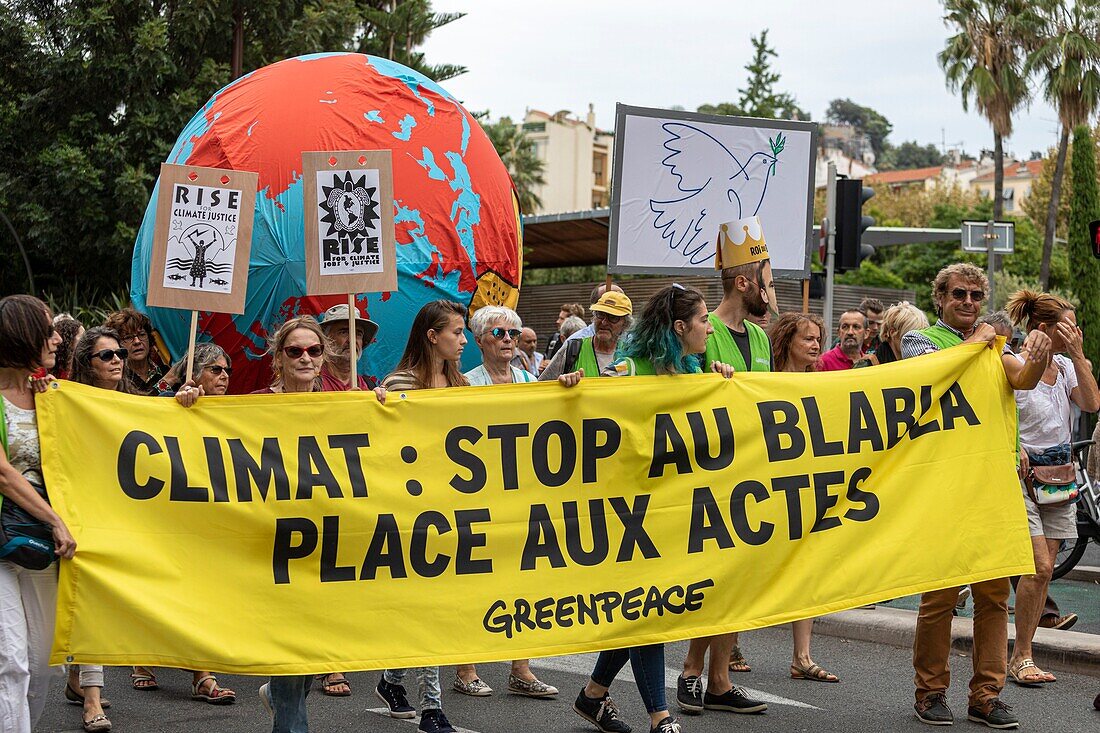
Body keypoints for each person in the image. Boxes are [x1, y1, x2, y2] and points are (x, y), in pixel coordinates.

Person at [572, 284, 735, 733]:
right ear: (680, 327)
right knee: (649, 610)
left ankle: (593, 696)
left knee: (641, 608)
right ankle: (659, 717)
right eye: (703, 321)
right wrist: (574, 390)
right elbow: (594, 418)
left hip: (672, 510)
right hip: (627, 513)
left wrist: (721, 382)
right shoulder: (629, 368)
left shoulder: (695, 368)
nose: (709, 328)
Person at [901, 263, 1052, 729]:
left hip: (993, 486)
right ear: (940, 299)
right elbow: (932, 377)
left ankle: (986, 695)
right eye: (958, 295)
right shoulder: (920, 340)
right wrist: (981, 340)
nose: (968, 302)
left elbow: (1023, 379)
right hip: (944, 486)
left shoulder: (995, 346)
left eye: (974, 296)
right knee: (940, 597)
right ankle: (930, 692)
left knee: (992, 597)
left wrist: (1041, 354)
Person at [256, 316, 385, 732]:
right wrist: (189, 403)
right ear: (279, 358)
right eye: (294, 350)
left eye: (313, 350)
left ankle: (278, 692)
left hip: (330, 543)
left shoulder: (346, 400)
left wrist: (383, 413)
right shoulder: (255, 404)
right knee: (295, 649)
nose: (305, 358)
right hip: (277, 544)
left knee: (314, 647)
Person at [680, 217, 772, 719]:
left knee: (737, 581)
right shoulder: (705, 331)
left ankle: (719, 680)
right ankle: (691, 672)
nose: (769, 288)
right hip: (711, 475)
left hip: (752, 474)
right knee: (712, 579)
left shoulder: (759, 337)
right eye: (765, 278)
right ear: (744, 281)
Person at [452, 307, 557, 699]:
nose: (509, 339)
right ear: (480, 340)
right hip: (478, 497)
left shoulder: (532, 380)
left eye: (513, 332)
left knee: (523, 579)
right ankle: (466, 668)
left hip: (521, 495)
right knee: (474, 580)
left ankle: (521, 668)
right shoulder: (464, 383)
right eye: (499, 332)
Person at [374, 300, 465, 733]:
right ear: (433, 336)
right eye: (456, 333)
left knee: (436, 606)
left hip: (452, 507)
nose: (463, 341)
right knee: (427, 607)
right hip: (411, 511)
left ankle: (392, 679)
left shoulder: (460, 383)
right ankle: (432, 707)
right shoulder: (398, 383)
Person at [1004, 290, 1099, 687]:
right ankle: (1021, 655)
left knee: (1044, 575)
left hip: (1059, 475)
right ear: (1043, 327)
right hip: (1021, 475)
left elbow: (1092, 404)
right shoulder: (1015, 363)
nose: (1075, 330)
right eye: (1068, 325)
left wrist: (1078, 355)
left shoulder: (1066, 365)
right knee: (1040, 565)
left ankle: (1022, 653)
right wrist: (1016, 448)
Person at [0, 295, 78, 733]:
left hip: (43, 544)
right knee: (9, 660)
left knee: (42, 659)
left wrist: (185, 399)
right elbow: (3, 473)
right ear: (21, 334)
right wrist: (55, 519)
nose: (56, 338)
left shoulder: (52, 394)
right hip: (6, 539)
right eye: (47, 329)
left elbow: (122, 415)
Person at [756, 312, 842, 683]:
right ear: (787, 339)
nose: (815, 344)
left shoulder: (820, 384)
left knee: (806, 567)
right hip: (763, 487)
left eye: (818, 338)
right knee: (753, 567)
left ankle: (802, 657)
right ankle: (732, 643)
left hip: (803, 487)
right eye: (807, 337)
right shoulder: (763, 380)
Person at [538, 292, 633, 382]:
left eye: (613, 317)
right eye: (600, 315)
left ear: (625, 324)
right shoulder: (572, 348)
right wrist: (563, 384)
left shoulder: (631, 354)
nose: (604, 322)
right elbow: (542, 387)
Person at [317, 303, 380, 392]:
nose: (352, 340)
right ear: (326, 339)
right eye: (344, 332)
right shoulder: (312, 385)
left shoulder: (369, 386)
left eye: (358, 334)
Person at [103, 308, 166, 395]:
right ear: (116, 343)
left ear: (149, 338)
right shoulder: (116, 378)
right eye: (128, 337)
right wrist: (168, 381)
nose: (137, 341)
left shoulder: (165, 371)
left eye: (142, 335)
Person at [853, 302, 928, 368]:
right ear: (892, 333)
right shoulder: (866, 366)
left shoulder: (915, 363)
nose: (918, 342)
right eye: (911, 337)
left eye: (920, 337)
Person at [52, 314, 84, 380]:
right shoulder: (46, 370)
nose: (86, 339)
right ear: (69, 341)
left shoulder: (84, 367)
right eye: (82, 336)